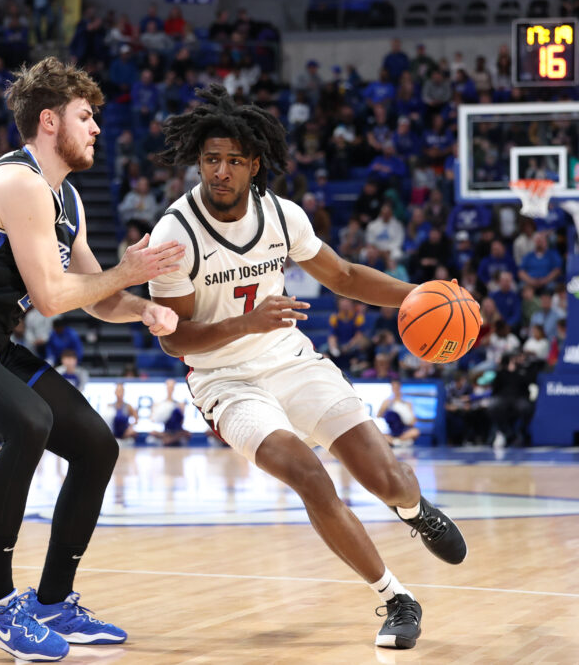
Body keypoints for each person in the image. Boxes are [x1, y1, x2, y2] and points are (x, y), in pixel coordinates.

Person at [149, 85, 468, 650]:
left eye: (232, 161)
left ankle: (414, 511)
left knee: (387, 480)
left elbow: (342, 276)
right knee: (310, 478)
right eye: (209, 160)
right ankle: (396, 597)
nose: (219, 171)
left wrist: (419, 296)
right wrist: (248, 323)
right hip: (225, 383)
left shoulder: (281, 215)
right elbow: (177, 342)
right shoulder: (176, 234)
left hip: (292, 361)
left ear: (254, 165)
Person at [0, 57, 182, 661]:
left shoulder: (64, 195)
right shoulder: (20, 183)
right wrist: (129, 273)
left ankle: (52, 601)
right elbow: (50, 297)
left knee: (97, 445)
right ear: (49, 121)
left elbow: (94, 296)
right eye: (85, 116)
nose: (96, 127)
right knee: (28, 420)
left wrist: (143, 308)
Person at [377, 379, 420, 447]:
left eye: (397, 387)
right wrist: (385, 410)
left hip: (404, 429)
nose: (395, 389)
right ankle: (399, 442)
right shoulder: (387, 402)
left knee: (415, 432)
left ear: (400, 387)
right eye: (393, 387)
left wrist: (408, 420)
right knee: (381, 436)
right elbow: (378, 415)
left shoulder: (407, 402)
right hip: (391, 430)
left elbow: (413, 420)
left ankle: (397, 441)